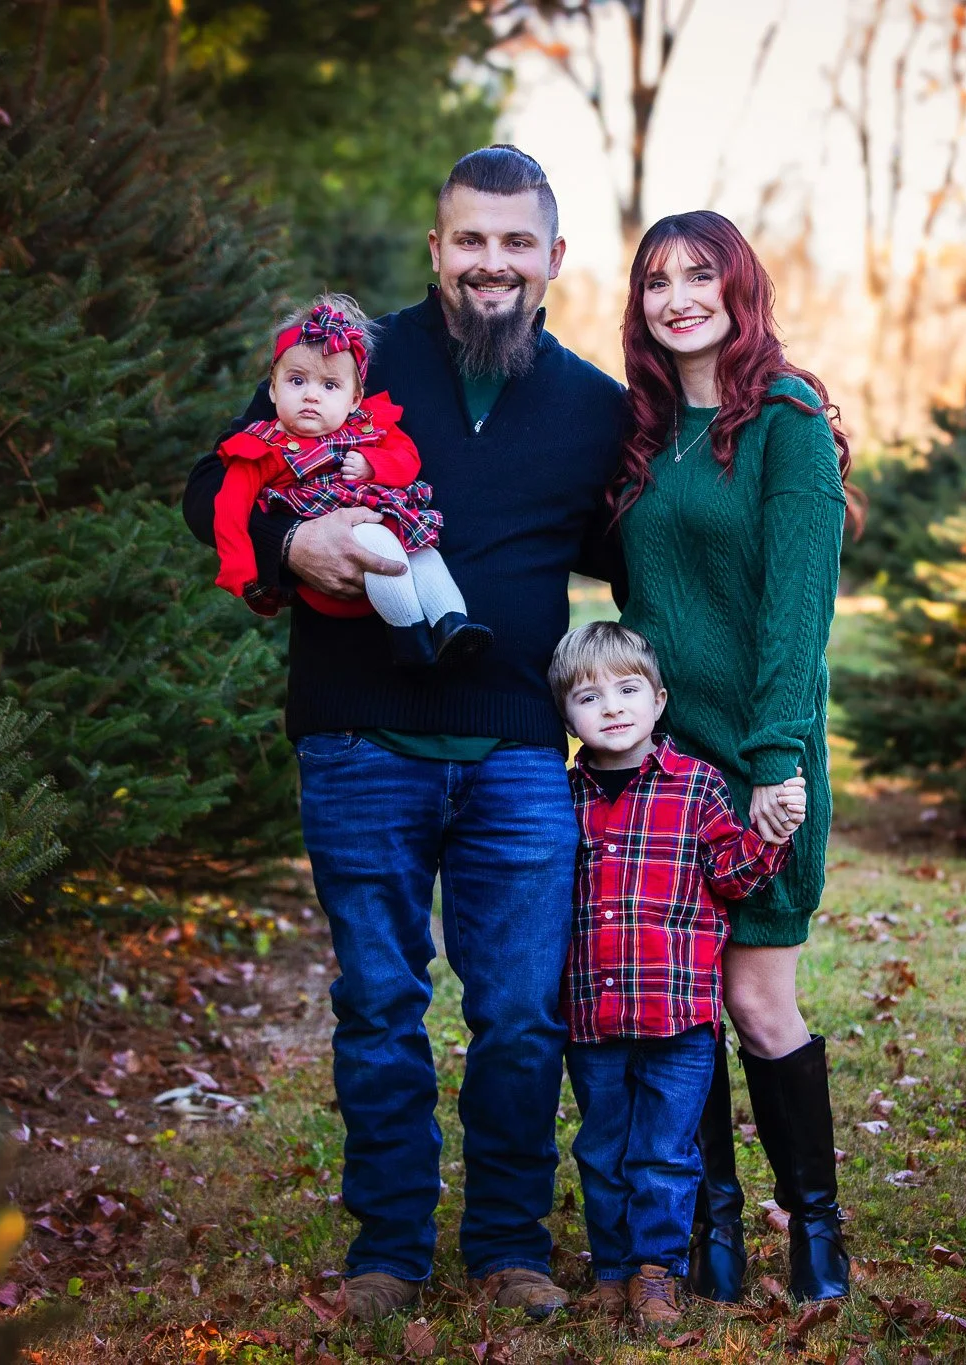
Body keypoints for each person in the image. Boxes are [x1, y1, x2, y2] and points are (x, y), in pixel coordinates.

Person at [180, 146, 629, 1323]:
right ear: (435, 249)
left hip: (519, 753)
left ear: (551, 259)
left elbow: (656, 543)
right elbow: (212, 482)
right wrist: (288, 547)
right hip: (357, 740)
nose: (491, 263)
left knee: (521, 1014)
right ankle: (387, 1249)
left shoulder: (591, 408)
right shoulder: (346, 358)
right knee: (378, 1002)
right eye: (468, 240)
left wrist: (791, 461)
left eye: (514, 242)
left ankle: (510, 1246)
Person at [611, 210, 859, 1303]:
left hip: (758, 764)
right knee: (679, 1006)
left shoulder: (787, 422)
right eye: (656, 280)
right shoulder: (644, 435)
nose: (676, 297)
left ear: (736, 288)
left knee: (758, 1002)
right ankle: (708, 1233)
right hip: (663, 774)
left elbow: (796, 614)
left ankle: (815, 1232)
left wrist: (774, 763)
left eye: (697, 275)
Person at [548, 622, 805, 1325]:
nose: (611, 707)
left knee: (664, 1151)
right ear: (565, 714)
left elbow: (731, 874)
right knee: (602, 1148)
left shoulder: (696, 789)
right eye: (588, 696)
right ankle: (610, 1268)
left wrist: (772, 834)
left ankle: (657, 1271)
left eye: (628, 689)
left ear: (659, 701)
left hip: (678, 1018)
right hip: (592, 1016)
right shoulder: (558, 798)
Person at [209, 293, 491, 667]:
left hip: (393, 537)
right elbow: (229, 507)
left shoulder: (370, 428)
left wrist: (373, 466)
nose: (311, 395)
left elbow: (407, 461)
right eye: (296, 381)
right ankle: (409, 639)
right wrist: (241, 570)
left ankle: (451, 623)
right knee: (377, 540)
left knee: (423, 551)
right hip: (331, 578)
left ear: (355, 398)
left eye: (329, 386)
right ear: (273, 388)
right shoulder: (263, 447)